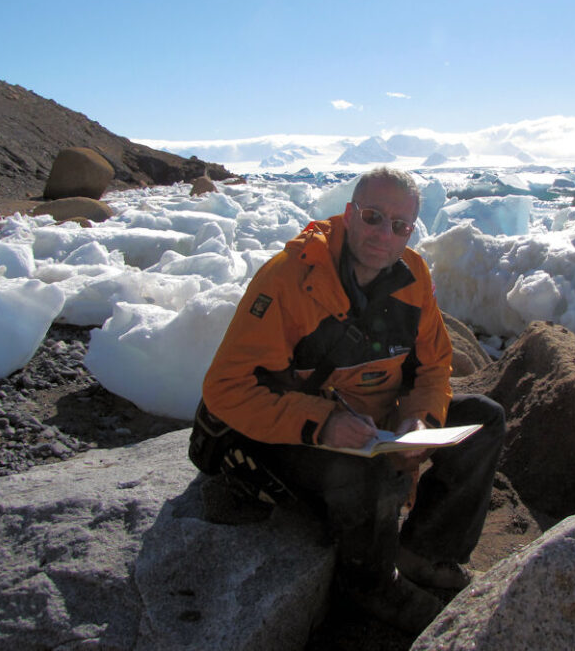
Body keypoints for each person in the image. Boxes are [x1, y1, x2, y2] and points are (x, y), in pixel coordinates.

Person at [199, 166, 505, 634]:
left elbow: (433, 367)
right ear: (349, 213)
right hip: (292, 429)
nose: (385, 234)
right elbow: (226, 388)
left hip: (373, 421)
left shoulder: (413, 277)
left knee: (484, 420)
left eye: (400, 226)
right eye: (373, 216)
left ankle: (422, 552)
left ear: (411, 231)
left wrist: (420, 420)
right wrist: (322, 422)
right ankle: (369, 584)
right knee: (362, 472)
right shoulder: (288, 279)